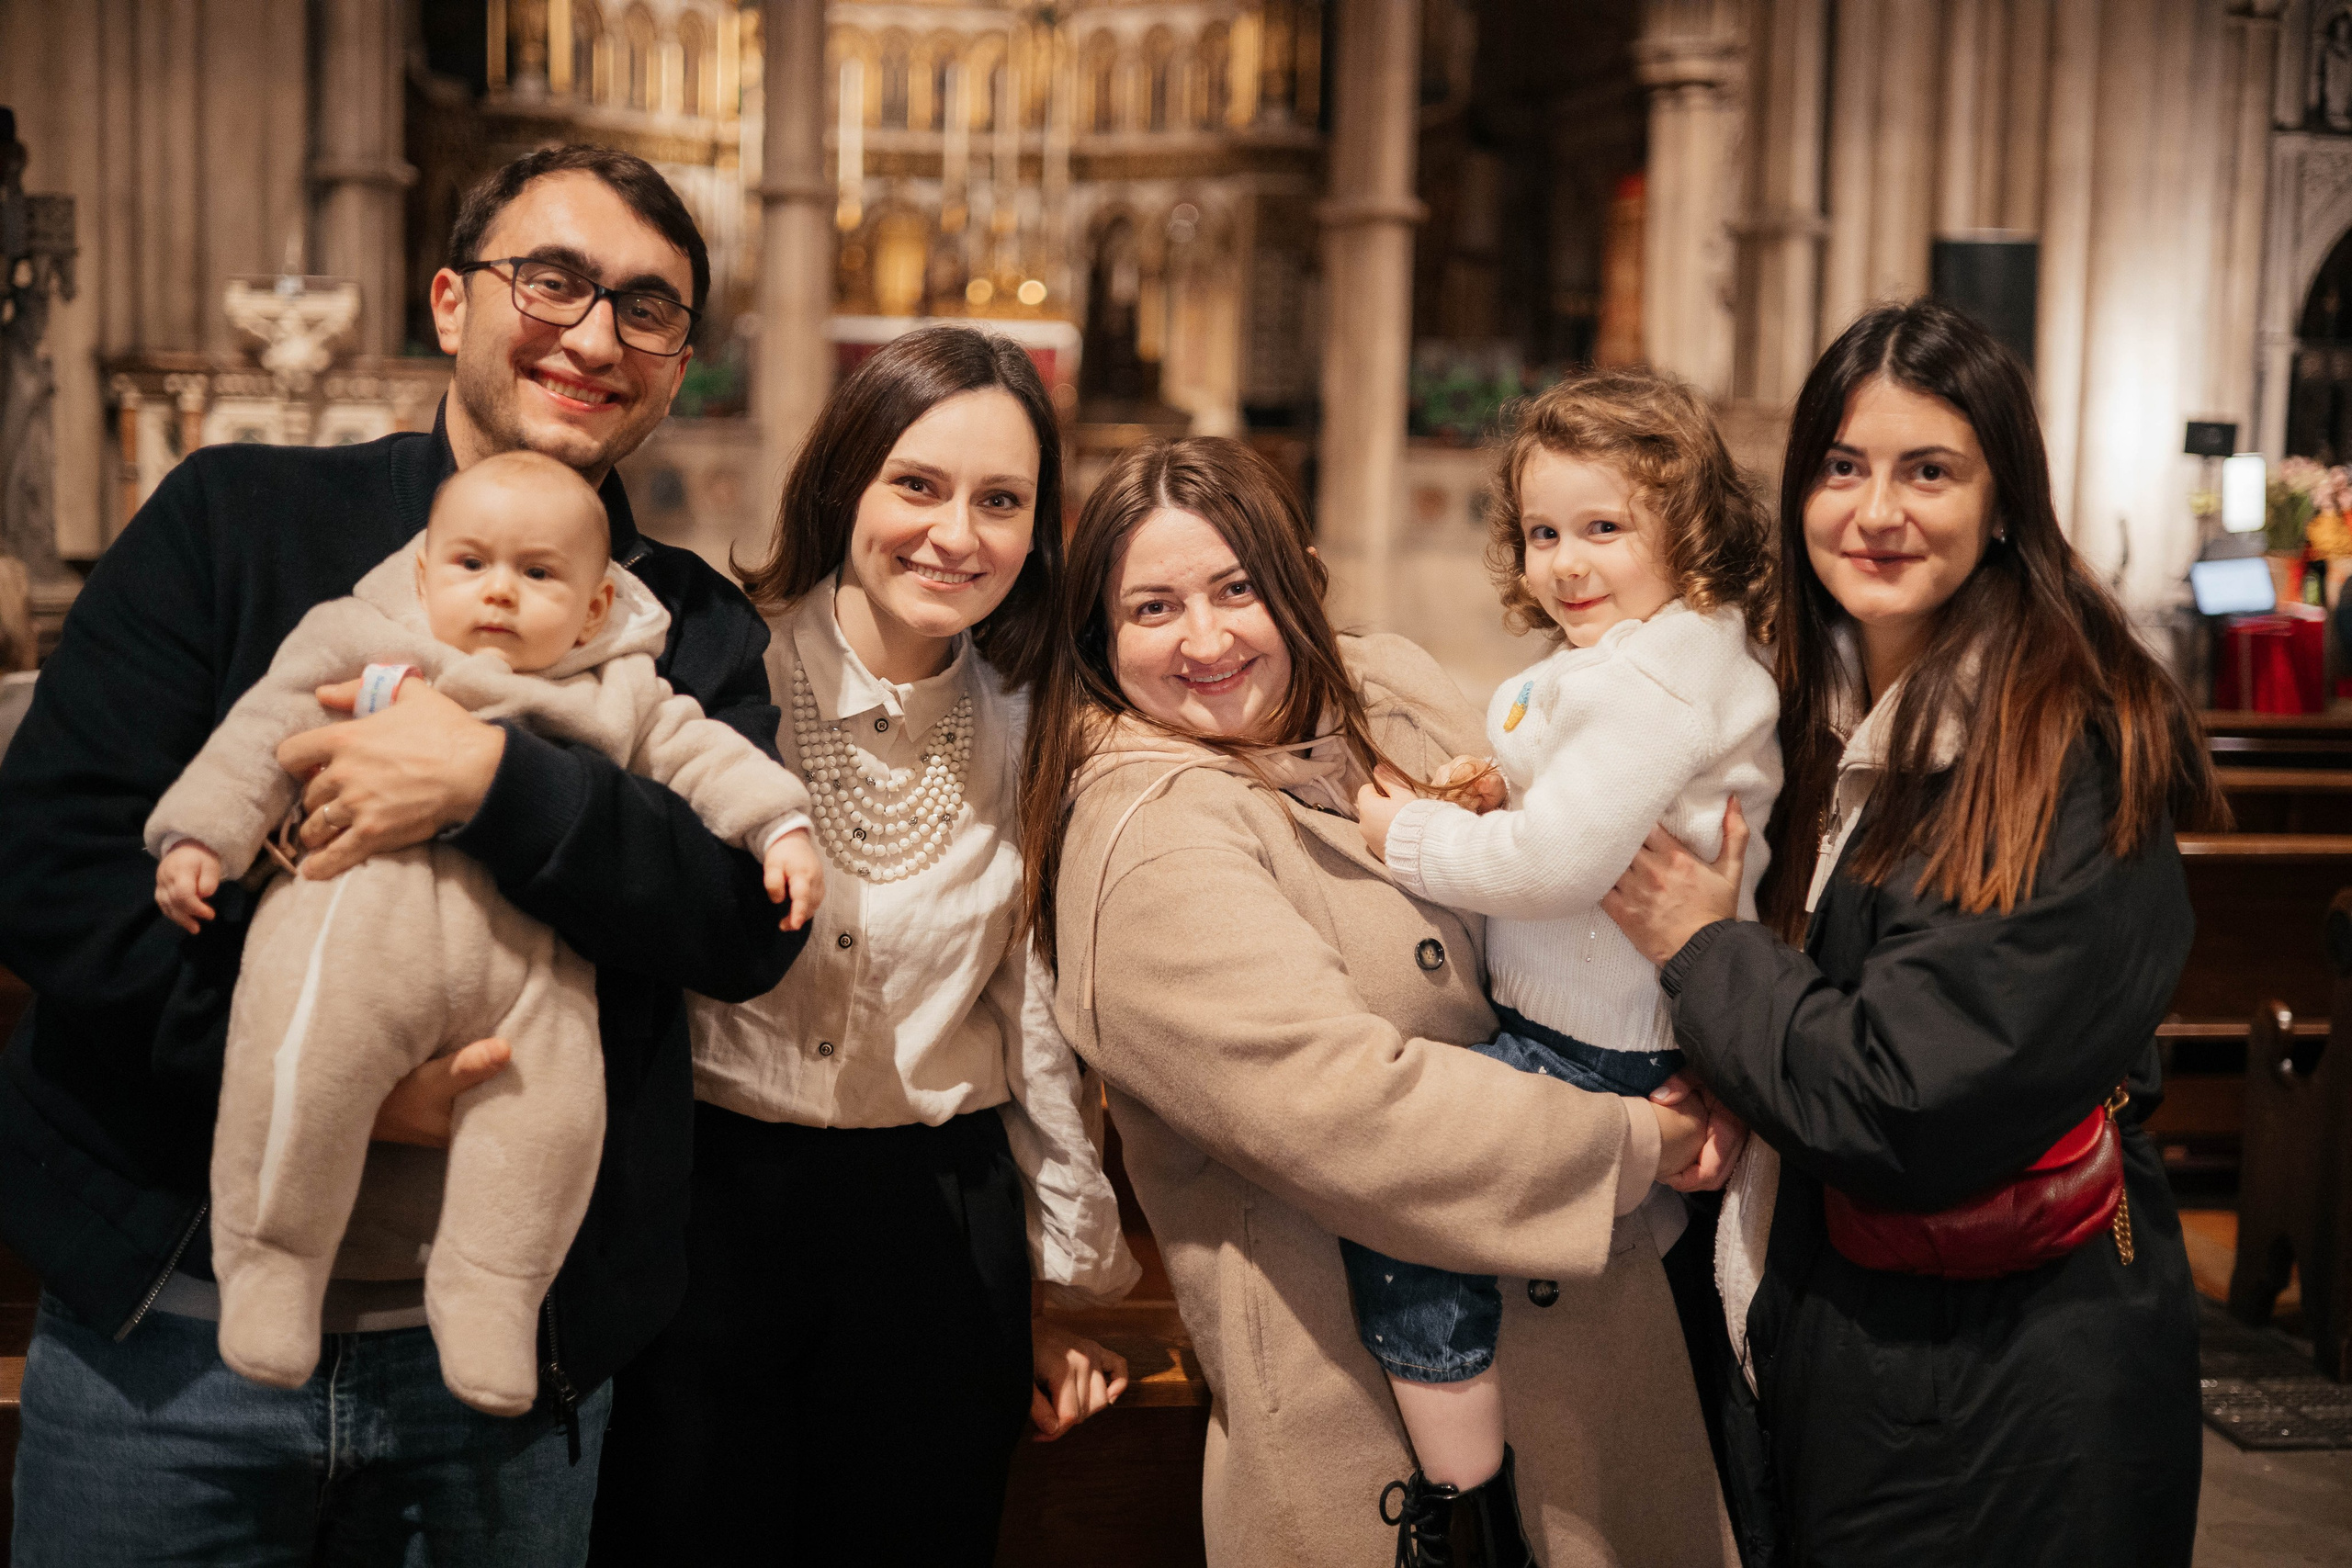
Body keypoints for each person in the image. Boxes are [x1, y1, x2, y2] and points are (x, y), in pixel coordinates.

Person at [0, 144, 805, 1566]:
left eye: (648, 306)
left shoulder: (685, 627)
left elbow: (740, 919)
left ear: (679, 367)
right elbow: (52, 864)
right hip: (169, 1340)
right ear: (448, 302)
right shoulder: (236, 516)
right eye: (550, 279)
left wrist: (496, 782)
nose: (596, 333)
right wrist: (347, 1071)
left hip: (503, 1371)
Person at [1024, 434, 1742, 1568]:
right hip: (1382, 1460)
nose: (1204, 639)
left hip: (1594, 1384)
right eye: (1152, 608)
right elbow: (1351, 1113)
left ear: (1300, 577)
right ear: (1099, 639)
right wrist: (1636, 1141)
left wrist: (1701, 999)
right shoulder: (1146, 833)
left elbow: (1561, 869)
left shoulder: (1388, 689)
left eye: (1237, 588)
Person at [1603, 299, 2221, 1566]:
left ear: (2003, 499)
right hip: (1865, 1353)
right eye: (1843, 466)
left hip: (1995, 1394)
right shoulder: (1816, 700)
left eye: (1928, 469)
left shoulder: (2059, 739)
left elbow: (1909, 1096)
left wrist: (1703, 949)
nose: (1876, 509)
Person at [589, 324, 1137, 1567]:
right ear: (846, 483)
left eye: (1001, 499)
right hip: (703, 1206)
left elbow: (1036, 1023)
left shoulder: (1037, 719)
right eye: (919, 484)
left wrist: (1039, 1303)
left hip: (934, 1227)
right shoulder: (712, 664)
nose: (957, 532)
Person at [148, 452, 822, 1416]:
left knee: (549, 1122)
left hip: (528, 972)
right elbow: (263, 732)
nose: (499, 592)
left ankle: (492, 1301)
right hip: (354, 931)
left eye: (539, 574)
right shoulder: (366, 642)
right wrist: (199, 836)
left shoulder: (617, 685)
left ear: (593, 609)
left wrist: (781, 826)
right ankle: (274, 1269)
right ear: (425, 572)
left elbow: (700, 751)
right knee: (300, 1077)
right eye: (471, 564)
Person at [1349, 368, 1778, 1559]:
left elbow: (1555, 863)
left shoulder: (1653, 682)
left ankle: (1461, 1508)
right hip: (1604, 1025)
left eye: (1604, 527)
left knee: (1411, 1206)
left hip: (1597, 1042)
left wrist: (1408, 836)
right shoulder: (1650, 655)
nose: (1565, 562)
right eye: (1544, 531)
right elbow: (1568, 779)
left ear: (1686, 529)